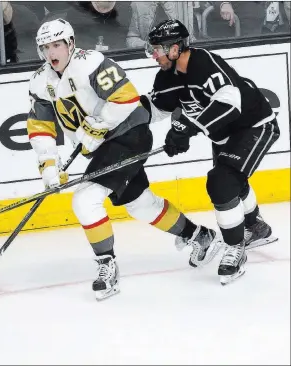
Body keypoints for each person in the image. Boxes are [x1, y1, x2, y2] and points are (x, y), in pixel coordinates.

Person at [27, 18, 222, 301]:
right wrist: (48, 163)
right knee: (141, 205)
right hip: (106, 147)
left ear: (70, 44)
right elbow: (40, 126)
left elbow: (125, 98)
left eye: (57, 45)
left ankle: (108, 267)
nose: (51, 53)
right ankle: (200, 236)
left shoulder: (90, 62)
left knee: (85, 200)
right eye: (45, 48)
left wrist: (95, 126)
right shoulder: (39, 81)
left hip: (129, 135)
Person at [142, 19, 280, 285]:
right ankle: (257, 227)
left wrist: (187, 128)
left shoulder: (204, 63)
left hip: (254, 125)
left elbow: (230, 105)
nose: (154, 54)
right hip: (224, 133)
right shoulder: (167, 77)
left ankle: (234, 247)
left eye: (158, 48)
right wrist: (118, 119)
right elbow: (155, 108)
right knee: (232, 180)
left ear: (175, 48)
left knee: (222, 181)